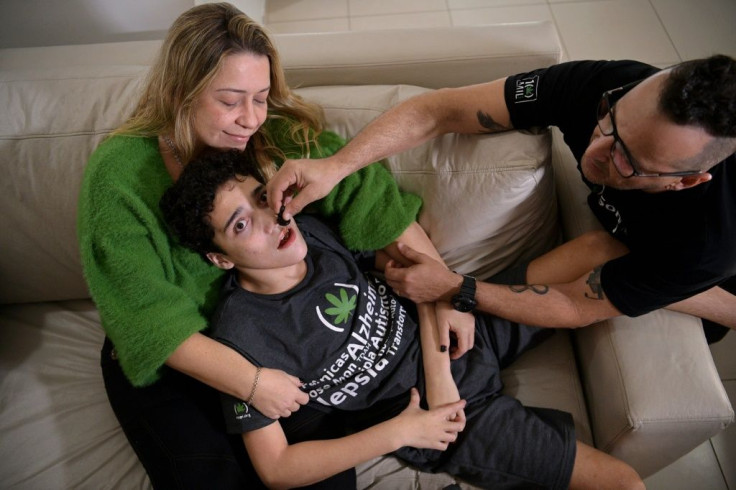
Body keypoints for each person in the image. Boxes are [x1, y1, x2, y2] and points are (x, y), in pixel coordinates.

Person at [76, 3, 472, 488]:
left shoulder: (276, 136)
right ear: (180, 93)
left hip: (274, 343)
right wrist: (253, 384)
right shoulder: (118, 177)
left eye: (260, 97)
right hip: (179, 358)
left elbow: (372, 202)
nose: (249, 120)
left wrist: (444, 289)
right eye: (230, 101)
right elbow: (148, 320)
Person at [158, 148, 644, 490]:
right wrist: (402, 433)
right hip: (440, 419)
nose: (271, 221)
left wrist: (439, 359)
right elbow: (277, 469)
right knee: (624, 483)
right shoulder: (241, 338)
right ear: (220, 258)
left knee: (599, 250)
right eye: (241, 225)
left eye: (262, 197)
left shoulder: (310, 227)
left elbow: (416, 271)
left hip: (461, 327)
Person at [267, 55, 736, 341]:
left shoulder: (707, 244)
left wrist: (456, 288)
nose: (596, 151)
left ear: (684, 181)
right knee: (603, 249)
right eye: (609, 122)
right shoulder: (606, 84)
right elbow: (439, 110)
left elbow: (575, 306)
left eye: (628, 160)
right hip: (628, 242)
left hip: (711, 279)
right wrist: (336, 166)